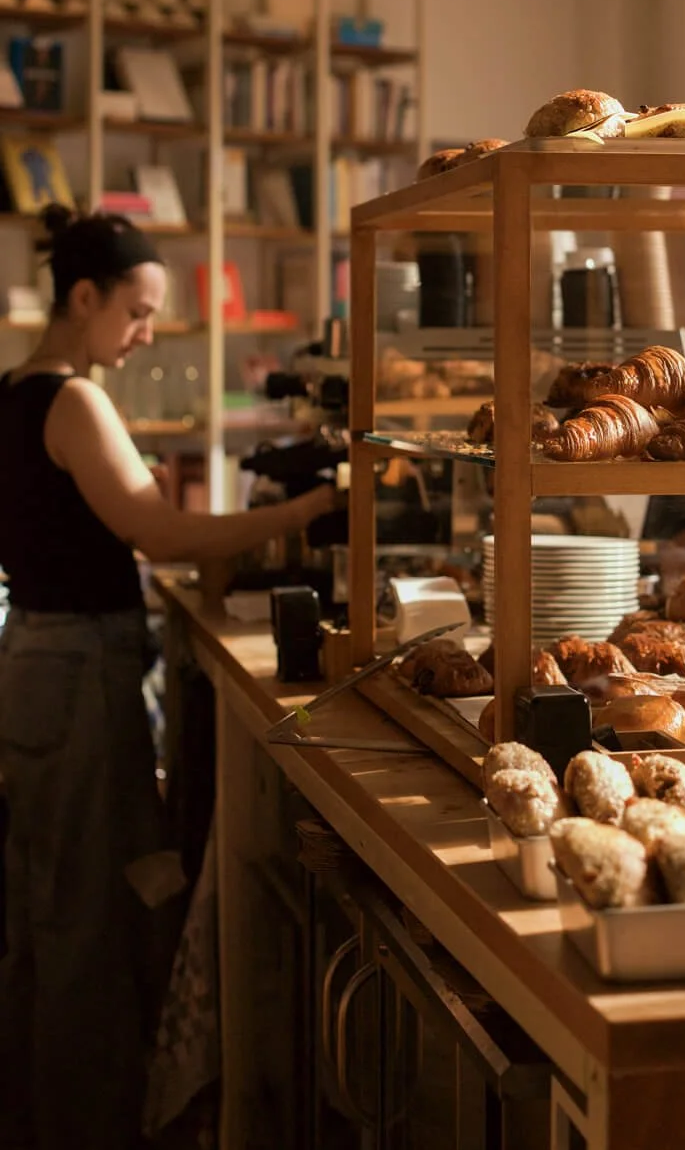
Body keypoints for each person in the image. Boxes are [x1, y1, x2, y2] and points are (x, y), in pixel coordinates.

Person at [0, 205, 337, 1150]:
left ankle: (33, 1116)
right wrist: (315, 503)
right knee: (86, 927)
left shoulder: (12, 393)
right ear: (83, 297)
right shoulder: (74, 399)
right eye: (139, 311)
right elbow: (162, 533)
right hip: (74, 671)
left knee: (41, 912)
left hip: (36, 659)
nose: (148, 332)